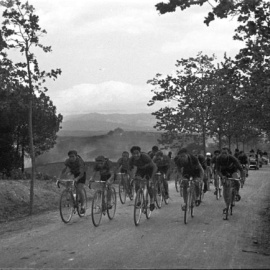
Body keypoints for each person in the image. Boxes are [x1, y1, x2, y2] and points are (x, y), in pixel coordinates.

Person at [129, 146, 157, 211]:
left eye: (137, 153)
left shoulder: (145, 157)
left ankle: (152, 201)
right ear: (132, 154)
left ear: (140, 152)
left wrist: (151, 179)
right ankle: (139, 199)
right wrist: (132, 178)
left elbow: (154, 167)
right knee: (137, 183)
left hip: (149, 169)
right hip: (140, 169)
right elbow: (130, 169)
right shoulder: (131, 159)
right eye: (134, 154)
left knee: (148, 185)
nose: (136, 155)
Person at [59, 150, 87, 214]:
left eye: (73, 156)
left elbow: (82, 173)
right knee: (68, 181)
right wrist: (59, 177)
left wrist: (77, 178)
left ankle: (83, 206)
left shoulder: (80, 161)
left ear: (76, 156)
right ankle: (71, 197)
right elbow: (63, 169)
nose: (71, 158)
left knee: (79, 189)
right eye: (70, 157)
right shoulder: (67, 161)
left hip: (81, 174)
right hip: (73, 173)